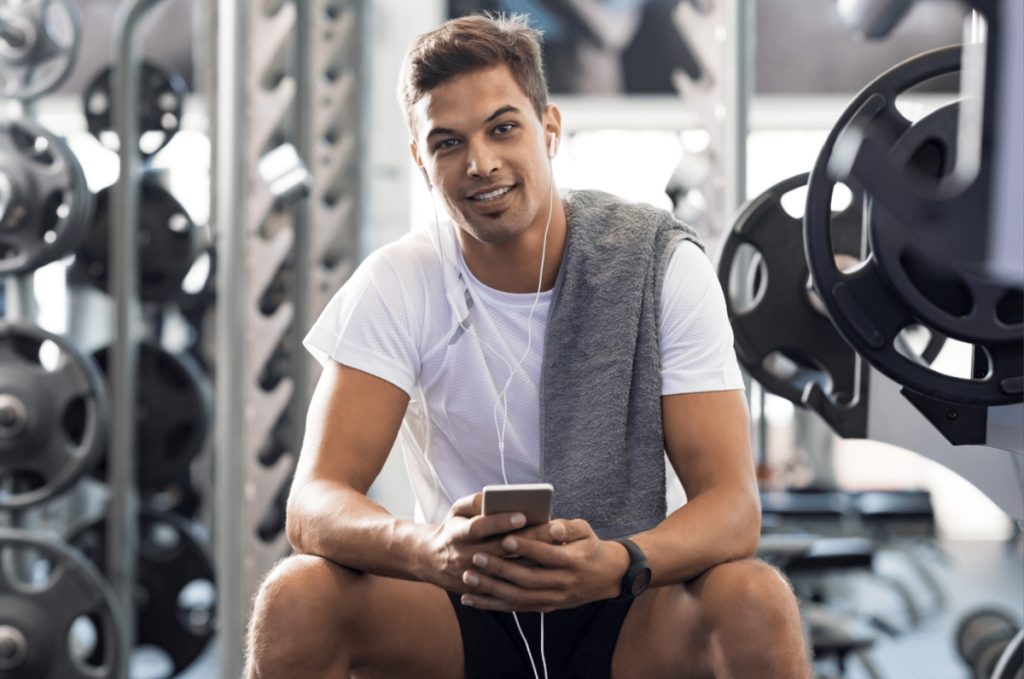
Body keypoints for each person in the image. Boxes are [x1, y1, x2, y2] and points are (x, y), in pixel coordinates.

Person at [246, 13, 810, 679]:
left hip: (622, 601)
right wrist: (428, 549)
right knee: (297, 596)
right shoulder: (399, 281)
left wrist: (619, 561)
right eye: (448, 142)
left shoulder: (660, 266)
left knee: (754, 597)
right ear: (421, 161)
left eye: (503, 128)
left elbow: (734, 507)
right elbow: (314, 500)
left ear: (549, 130)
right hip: (465, 597)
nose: (480, 162)